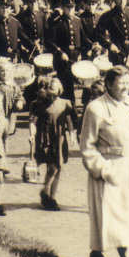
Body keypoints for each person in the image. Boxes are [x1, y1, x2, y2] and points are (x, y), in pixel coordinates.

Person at [79, 66, 129, 257]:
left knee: (125, 220)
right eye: (121, 83)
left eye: (128, 83)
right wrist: (102, 169)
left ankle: (96, 253)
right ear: (109, 84)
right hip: (109, 169)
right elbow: (87, 146)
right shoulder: (96, 109)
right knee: (118, 223)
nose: (126, 88)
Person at [30, 76, 75, 211]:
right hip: (46, 138)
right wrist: (31, 133)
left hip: (59, 139)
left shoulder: (65, 103)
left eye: (54, 91)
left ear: (59, 91)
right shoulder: (39, 104)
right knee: (52, 167)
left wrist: (72, 135)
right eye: (50, 91)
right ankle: (46, 191)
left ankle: (51, 196)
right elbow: (33, 121)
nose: (52, 95)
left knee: (58, 167)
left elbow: (69, 122)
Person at [47, 0, 87, 102]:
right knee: (66, 86)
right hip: (62, 60)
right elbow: (50, 41)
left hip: (74, 58)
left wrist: (93, 46)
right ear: (63, 8)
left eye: (72, 7)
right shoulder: (57, 22)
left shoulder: (78, 21)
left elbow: (84, 39)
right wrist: (60, 52)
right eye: (68, 7)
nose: (70, 10)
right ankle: (69, 108)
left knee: (73, 85)